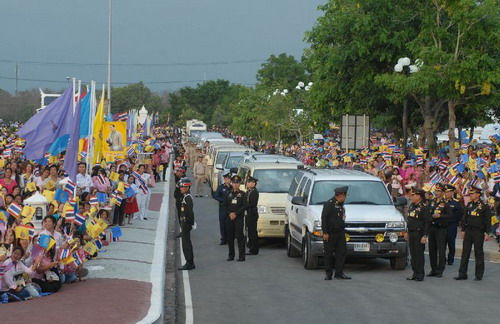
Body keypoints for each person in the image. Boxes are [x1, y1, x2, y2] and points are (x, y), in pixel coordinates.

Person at [454, 186, 491, 281]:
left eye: (473, 193)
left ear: (478, 194)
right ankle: (462, 273)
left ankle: (478, 274)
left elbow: (488, 220)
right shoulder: (469, 205)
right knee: (465, 252)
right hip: (469, 231)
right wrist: (463, 230)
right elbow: (464, 218)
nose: (471, 195)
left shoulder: (484, 206)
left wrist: (487, 233)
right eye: (470, 193)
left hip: (478, 232)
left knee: (478, 253)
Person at [322, 186, 350, 280]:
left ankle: (339, 272)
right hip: (331, 232)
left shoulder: (341, 204)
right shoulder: (329, 204)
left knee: (342, 252)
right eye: (344, 196)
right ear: (340, 195)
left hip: (340, 232)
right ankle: (328, 273)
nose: (345, 198)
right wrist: (325, 232)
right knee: (328, 253)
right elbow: (324, 218)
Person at [405, 188, 430, 282]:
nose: (412, 197)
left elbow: (427, 222)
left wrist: (425, 236)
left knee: (419, 254)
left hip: (419, 233)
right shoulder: (412, 206)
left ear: (418, 196)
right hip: (411, 232)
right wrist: (407, 232)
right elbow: (409, 220)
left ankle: (420, 274)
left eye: (413, 195)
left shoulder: (424, 207)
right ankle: (415, 273)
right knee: (413, 254)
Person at [427, 183, 449, 277]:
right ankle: (433, 269)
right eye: (436, 191)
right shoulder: (432, 202)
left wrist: (440, 216)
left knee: (441, 250)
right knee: (432, 250)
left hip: (441, 228)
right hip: (432, 228)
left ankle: (440, 270)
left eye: (439, 191)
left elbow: (450, 216)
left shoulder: (446, 203)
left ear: (443, 192)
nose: (437, 192)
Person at [224, 175, 247, 262]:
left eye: (237, 183)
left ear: (239, 184)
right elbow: (224, 205)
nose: (235, 185)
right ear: (231, 183)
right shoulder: (228, 194)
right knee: (230, 237)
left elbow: (245, 206)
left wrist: (236, 214)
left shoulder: (243, 194)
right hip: (229, 218)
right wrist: (230, 213)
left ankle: (241, 256)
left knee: (240, 237)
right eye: (234, 183)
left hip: (238, 218)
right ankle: (231, 255)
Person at [177, 178, 195, 270]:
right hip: (185, 222)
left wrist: (190, 223)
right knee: (185, 243)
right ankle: (189, 261)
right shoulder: (185, 196)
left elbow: (190, 212)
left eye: (182, 187)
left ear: (187, 187)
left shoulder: (188, 197)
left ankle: (189, 262)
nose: (181, 188)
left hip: (186, 223)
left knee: (186, 243)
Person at [444, 184, 463, 265]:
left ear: (452, 193)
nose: (446, 194)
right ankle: (442, 258)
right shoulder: (441, 202)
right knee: (442, 243)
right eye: (445, 192)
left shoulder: (455, 203)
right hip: (443, 225)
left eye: (448, 192)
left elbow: (461, 213)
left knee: (451, 243)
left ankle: (450, 259)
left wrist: (456, 221)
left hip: (452, 225)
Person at [213, 172, 231, 245]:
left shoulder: (232, 188)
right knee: (223, 223)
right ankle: (223, 239)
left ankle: (229, 238)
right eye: (227, 178)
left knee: (230, 224)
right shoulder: (221, 187)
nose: (229, 180)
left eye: (230, 179)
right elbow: (216, 196)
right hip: (223, 208)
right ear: (224, 179)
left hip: (230, 208)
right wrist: (223, 200)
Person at [246, 176, 259, 255]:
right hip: (249, 213)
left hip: (252, 213)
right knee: (250, 231)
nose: (247, 184)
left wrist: (244, 206)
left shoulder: (254, 192)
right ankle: (251, 247)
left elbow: (252, 203)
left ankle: (254, 249)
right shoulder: (249, 191)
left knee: (252, 232)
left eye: (249, 182)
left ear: (253, 183)